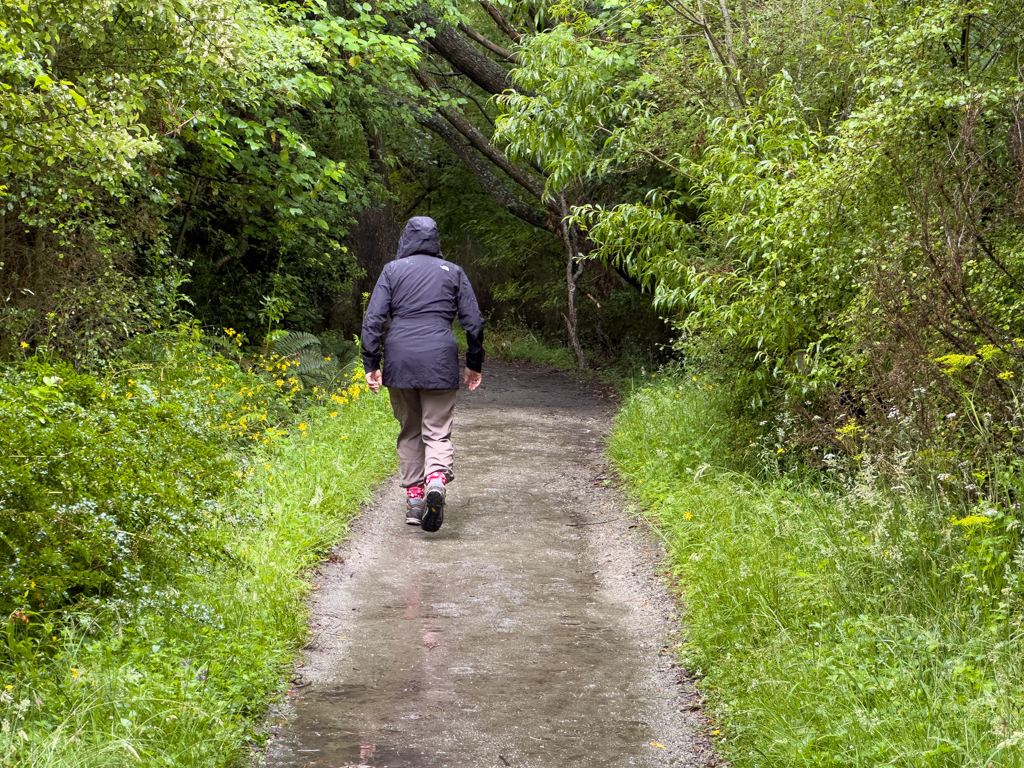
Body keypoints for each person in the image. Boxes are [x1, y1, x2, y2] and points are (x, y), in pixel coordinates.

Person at [361, 216, 484, 532]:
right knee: (437, 430)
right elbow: (473, 322)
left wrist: (371, 363)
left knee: (410, 429)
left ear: (406, 238)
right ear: (435, 240)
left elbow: (373, 320)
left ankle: (416, 501)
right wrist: (474, 363)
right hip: (439, 358)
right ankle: (436, 479)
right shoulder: (453, 272)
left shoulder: (392, 270)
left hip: (400, 358)